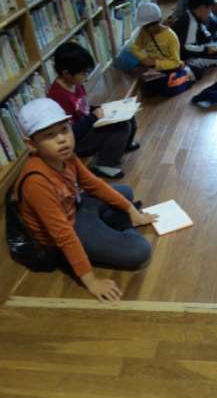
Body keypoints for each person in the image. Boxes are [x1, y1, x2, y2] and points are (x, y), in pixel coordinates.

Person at [14, 98, 157, 301]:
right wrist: (91, 281)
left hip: (75, 205)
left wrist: (131, 210)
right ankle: (118, 224)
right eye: (49, 135)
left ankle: (116, 221)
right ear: (31, 145)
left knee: (125, 193)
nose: (62, 139)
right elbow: (63, 235)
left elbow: (93, 184)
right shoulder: (36, 183)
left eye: (64, 130)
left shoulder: (66, 156)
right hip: (68, 229)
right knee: (140, 251)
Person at [48, 42, 139, 179]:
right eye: (83, 73)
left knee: (128, 116)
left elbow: (82, 107)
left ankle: (124, 145)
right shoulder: (58, 97)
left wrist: (96, 109)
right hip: (77, 142)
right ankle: (105, 164)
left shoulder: (75, 83)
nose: (86, 77)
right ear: (66, 73)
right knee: (121, 127)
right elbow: (70, 132)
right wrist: (93, 117)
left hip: (87, 125)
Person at [115, 2, 193, 97]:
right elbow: (135, 47)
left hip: (165, 67)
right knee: (123, 57)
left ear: (159, 21)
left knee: (165, 88)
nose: (149, 29)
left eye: (152, 25)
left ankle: (185, 74)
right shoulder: (144, 32)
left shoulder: (171, 37)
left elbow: (175, 63)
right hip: (151, 67)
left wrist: (155, 63)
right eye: (145, 27)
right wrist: (143, 58)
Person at [172, 0, 217, 79]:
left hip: (186, 51)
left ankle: (192, 63)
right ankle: (191, 65)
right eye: (209, 10)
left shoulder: (191, 15)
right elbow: (187, 47)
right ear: (202, 8)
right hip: (182, 55)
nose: (210, 13)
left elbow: (204, 32)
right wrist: (206, 50)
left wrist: (211, 41)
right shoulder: (191, 22)